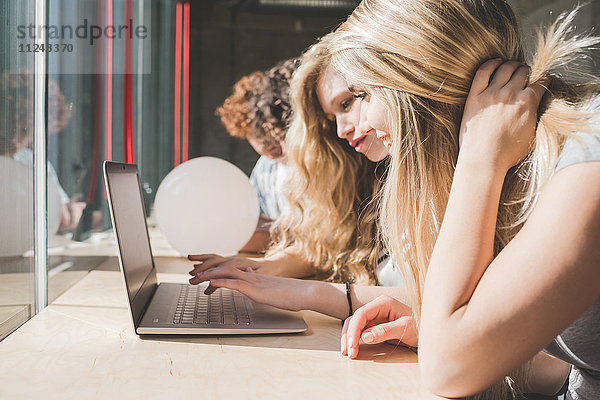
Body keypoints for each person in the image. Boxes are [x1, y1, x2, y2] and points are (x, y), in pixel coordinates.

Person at [325, 1, 599, 399]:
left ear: (415, 79)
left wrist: (478, 157)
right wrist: (453, 328)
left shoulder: (584, 160)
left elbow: (447, 372)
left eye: (363, 94)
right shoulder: (528, 162)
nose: (361, 123)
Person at [188, 34, 409, 322]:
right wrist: (261, 270)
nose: (341, 131)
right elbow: (327, 244)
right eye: (332, 119)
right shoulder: (363, 172)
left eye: (347, 103)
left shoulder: (414, 174)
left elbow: (428, 302)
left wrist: (307, 292)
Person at [216, 59, 295, 253]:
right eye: (253, 136)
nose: (263, 144)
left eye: (265, 132)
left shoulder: (313, 160)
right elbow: (252, 218)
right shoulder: (264, 169)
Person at [0, 72, 85, 233]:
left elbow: (62, 209)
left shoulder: (33, 161)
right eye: (8, 127)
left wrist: (70, 214)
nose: (13, 140)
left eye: (24, 132)